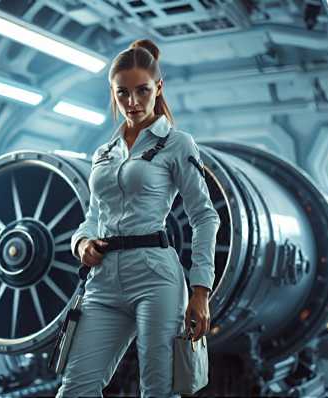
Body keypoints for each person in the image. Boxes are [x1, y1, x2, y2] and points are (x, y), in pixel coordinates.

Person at [56, 39, 221, 397]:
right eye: (123, 93)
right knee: (74, 389)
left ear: (158, 88)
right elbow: (93, 216)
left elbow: (205, 217)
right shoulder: (104, 152)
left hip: (155, 276)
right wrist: (81, 243)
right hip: (102, 283)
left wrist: (200, 291)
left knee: (157, 390)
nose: (132, 102)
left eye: (142, 91)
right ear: (113, 92)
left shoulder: (177, 143)